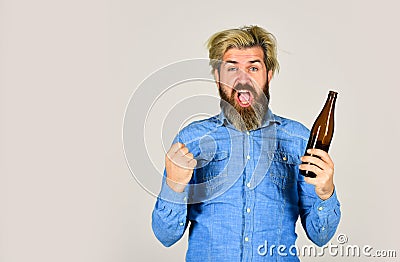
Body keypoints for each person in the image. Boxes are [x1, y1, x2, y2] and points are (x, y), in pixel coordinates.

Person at [151, 25, 341, 261]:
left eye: (253, 67)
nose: (243, 78)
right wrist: (174, 187)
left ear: (268, 75)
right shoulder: (191, 140)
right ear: (217, 76)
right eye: (232, 68)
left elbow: (321, 236)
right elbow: (165, 236)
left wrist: (326, 192)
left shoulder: (299, 139)